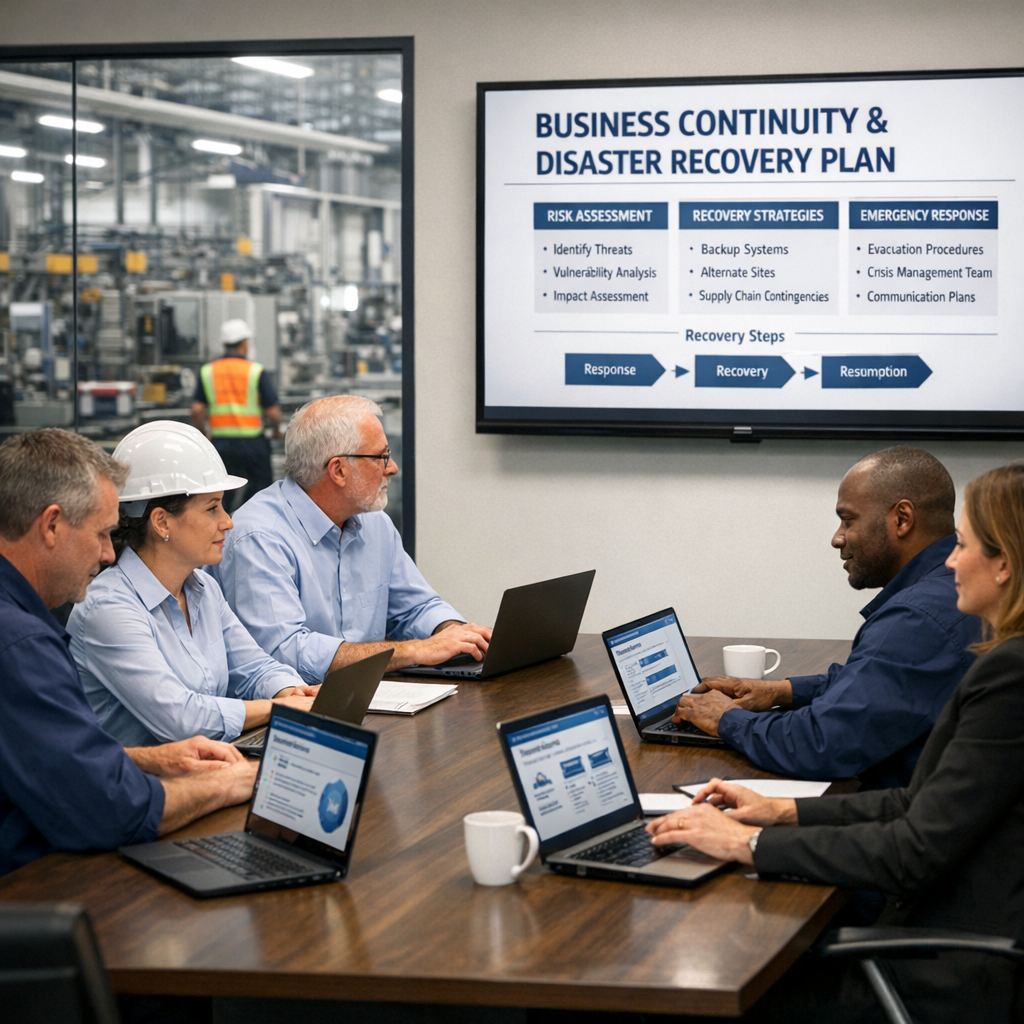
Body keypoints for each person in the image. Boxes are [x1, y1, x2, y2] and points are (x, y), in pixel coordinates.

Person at [647, 461, 1024, 1024]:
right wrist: (777, 811)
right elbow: (922, 801)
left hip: (942, 967)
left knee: (682, 972)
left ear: (1004, 565)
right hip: (961, 924)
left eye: (963, 545)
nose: (949, 561)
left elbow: (912, 848)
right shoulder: (1002, 654)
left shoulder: (1004, 670)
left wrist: (743, 844)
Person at [0, 428, 256, 877]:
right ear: (52, 525)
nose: (107, 554)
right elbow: (110, 807)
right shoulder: (18, 642)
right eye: (102, 534)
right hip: (33, 881)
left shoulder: (21, 622)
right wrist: (230, 782)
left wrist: (148, 759)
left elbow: (47, 757)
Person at [674, 446, 981, 788]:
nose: (837, 538)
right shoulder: (953, 588)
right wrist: (782, 691)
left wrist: (726, 718)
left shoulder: (918, 618)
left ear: (902, 519)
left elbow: (820, 745)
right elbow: (877, 683)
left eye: (848, 521)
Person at [67, 421, 317, 747]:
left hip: (203, 771)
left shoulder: (202, 588)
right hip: (139, 789)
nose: (228, 522)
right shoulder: (108, 609)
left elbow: (255, 667)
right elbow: (180, 721)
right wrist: (277, 708)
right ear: (161, 521)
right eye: (212, 508)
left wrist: (291, 691)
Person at [213, 395, 492, 682]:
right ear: (338, 470)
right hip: (295, 708)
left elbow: (416, 607)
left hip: (369, 694)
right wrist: (415, 650)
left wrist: (455, 634)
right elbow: (284, 651)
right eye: (381, 456)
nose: (392, 467)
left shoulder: (375, 522)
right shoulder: (259, 536)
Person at [191, 318, 281, 513]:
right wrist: (275, 431)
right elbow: (272, 412)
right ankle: (249, 522)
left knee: (219, 496)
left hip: (221, 445)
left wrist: (204, 434)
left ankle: (220, 531)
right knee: (262, 492)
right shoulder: (255, 371)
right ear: (244, 343)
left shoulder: (208, 371)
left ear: (225, 344)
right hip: (252, 444)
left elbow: (197, 410)